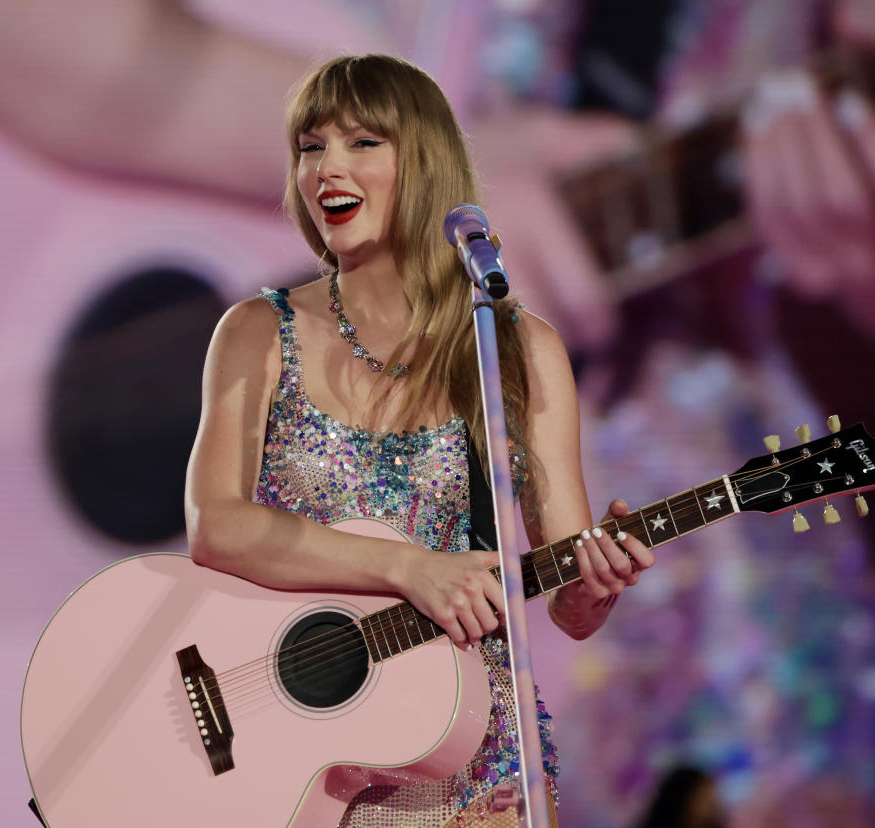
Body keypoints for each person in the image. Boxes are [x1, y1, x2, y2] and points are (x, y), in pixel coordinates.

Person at [184, 53, 655, 827]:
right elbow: (218, 526)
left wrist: (597, 583)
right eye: (311, 147)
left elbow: (568, 601)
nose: (328, 167)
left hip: (472, 772)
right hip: (308, 770)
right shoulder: (256, 333)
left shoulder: (518, 349)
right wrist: (411, 569)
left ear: (427, 164)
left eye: (363, 143)